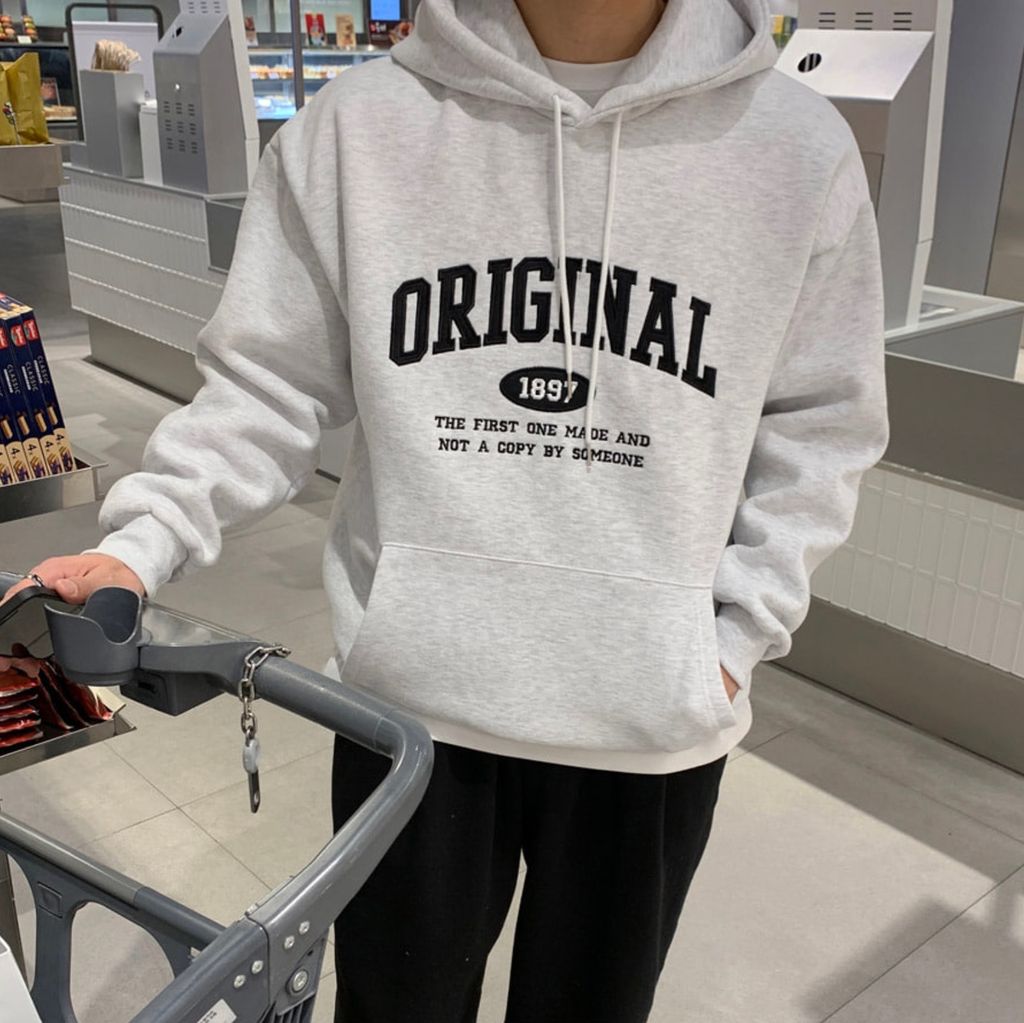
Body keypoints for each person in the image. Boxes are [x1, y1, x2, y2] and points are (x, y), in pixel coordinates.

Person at [3, 0, 890, 1019]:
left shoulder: (794, 148)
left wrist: (731, 637)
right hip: (413, 717)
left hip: (650, 724)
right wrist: (144, 540)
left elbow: (821, 426)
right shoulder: (357, 129)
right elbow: (266, 388)